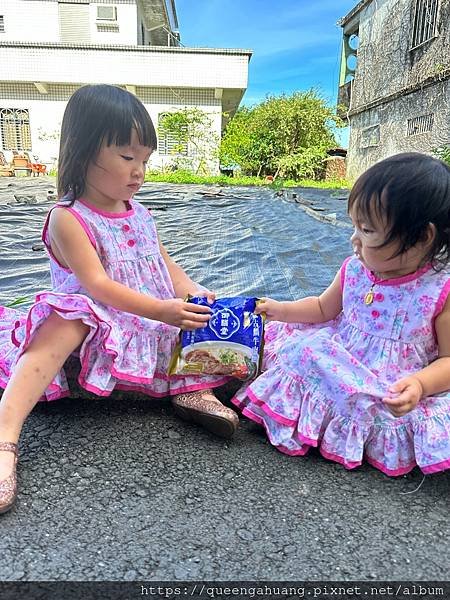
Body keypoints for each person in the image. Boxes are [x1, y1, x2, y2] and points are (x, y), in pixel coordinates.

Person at [0, 84, 239, 514]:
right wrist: (163, 310)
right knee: (68, 317)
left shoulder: (140, 212)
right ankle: (6, 433)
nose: (139, 171)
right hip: (95, 334)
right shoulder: (69, 218)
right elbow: (98, 287)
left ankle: (191, 388)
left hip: (144, 322)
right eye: (127, 157)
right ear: (83, 150)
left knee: (207, 318)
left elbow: (168, 269)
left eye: (144, 159)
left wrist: (194, 293)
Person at [232, 152, 450, 477]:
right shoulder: (354, 270)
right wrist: (280, 309)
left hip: (392, 380)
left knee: (381, 409)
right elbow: (322, 308)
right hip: (341, 354)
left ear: (421, 237)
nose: (354, 240)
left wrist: (419, 384)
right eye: (355, 227)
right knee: (302, 352)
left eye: (367, 230)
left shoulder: (438, 291)